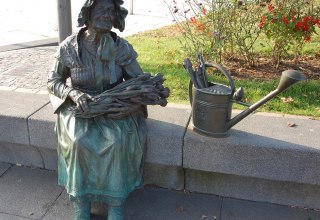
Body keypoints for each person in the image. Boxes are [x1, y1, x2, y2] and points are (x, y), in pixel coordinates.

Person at [47, 0, 147, 219]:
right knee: (78, 141)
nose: (106, 15)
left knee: (118, 141)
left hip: (114, 108)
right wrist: (73, 93)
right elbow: (53, 81)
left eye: (110, 11)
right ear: (88, 14)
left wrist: (130, 105)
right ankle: (81, 202)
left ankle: (115, 203)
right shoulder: (69, 47)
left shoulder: (121, 48)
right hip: (80, 107)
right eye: (101, 10)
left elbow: (139, 82)